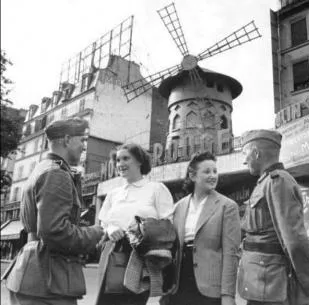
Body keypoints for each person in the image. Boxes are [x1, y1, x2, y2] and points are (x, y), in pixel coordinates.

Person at [4, 118, 105, 305]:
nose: (84, 146)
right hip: (48, 279)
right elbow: (55, 231)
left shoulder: (42, 168)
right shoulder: (56, 174)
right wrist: (95, 232)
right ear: (67, 139)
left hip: (34, 274)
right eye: (81, 140)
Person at [238, 129, 309, 305]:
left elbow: (294, 239)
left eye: (246, 154)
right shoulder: (265, 182)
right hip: (260, 281)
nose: (244, 160)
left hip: (271, 283)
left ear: (256, 153)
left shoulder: (278, 181)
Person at [95, 142, 175, 305]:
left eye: (126, 159)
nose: (120, 164)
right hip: (113, 253)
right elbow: (103, 221)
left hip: (141, 255)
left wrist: (142, 228)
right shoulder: (113, 194)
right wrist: (110, 229)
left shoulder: (156, 188)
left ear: (139, 161)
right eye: (117, 160)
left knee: (133, 301)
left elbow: (167, 225)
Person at [164, 151, 241, 305]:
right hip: (179, 285)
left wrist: (228, 295)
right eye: (207, 171)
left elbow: (231, 254)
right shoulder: (179, 206)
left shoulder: (227, 206)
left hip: (210, 288)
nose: (213, 176)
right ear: (193, 176)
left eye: (215, 171)